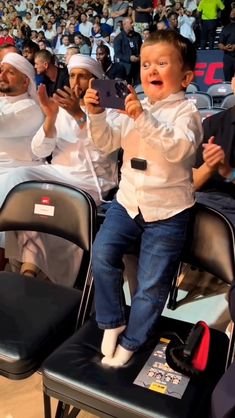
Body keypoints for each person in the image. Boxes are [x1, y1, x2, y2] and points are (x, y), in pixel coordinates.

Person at [84, 30, 203, 367]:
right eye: (147, 63)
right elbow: (106, 144)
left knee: (152, 284)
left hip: (168, 212)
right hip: (128, 202)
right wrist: (95, 115)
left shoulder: (187, 113)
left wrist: (140, 117)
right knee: (103, 254)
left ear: (186, 77)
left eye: (162, 63)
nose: (151, 69)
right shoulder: (132, 106)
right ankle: (112, 320)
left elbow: (180, 149)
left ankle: (133, 340)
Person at [5, 54, 118, 286]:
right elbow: (39, 151)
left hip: (91, 180)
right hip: (58, 173)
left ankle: (30, 271)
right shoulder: (62, 110)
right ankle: (25, 268)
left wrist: (79, 114)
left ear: (96, 81)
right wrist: (51, 117)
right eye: (73, 76)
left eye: (83, 77)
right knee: (18, 179)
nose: (76, 83)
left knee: (45, 207)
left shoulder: (110, 110)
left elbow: (102, 151)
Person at [0, 52, 44, 268]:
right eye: (1, 70)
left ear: (25, 80)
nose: (2, 75)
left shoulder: (31, 108)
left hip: (15, 172)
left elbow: (3, 125)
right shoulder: (3, 102)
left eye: (10, 72)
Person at [195, 76, 235, 226]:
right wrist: (209, 166)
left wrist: (228, 172)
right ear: (233, 82)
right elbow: (192, 184)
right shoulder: (212, 124)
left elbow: (229, 173)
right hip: (202, 200)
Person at [113, 17, 142, 85]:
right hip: (125, 68)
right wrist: (129, 58)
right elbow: (118, 54)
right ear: (125, 24)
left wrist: (140, 57)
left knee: (139, 87)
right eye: (131, 23)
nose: (133, 24)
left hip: (137, 67)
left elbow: (141, 49)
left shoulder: (137, 36)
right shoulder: (118, 38)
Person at [218, 7, 235, 82]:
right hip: (228, 57)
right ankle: (230, 93)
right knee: (228, 80)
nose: (233, 12)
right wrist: (224, 47)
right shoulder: (225, 28)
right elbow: (220, 44)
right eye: (232, 11)